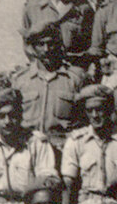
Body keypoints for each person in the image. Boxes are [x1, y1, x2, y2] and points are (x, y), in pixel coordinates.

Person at [13, 20, 86, 152]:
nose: (46, 49)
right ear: (33, 48)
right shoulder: (21, 80)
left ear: (58, 45)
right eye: (41, 44)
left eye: (51, 44)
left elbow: (84, 121)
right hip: (28, 149)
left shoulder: (74, 79)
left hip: (63, 150)